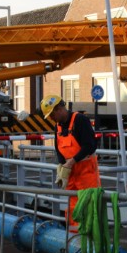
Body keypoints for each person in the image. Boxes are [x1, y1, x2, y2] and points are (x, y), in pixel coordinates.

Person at [40, 95, 100, 233]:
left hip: (86, 174)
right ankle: (74, 238)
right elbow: (58, 149)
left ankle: (89, 239)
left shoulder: (80, 120)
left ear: (59, 109)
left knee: (89, 207)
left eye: (51, 115)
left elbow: (90, 146)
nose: (51, 119)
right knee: (72, 207)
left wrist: (71, 161)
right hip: (71, 174)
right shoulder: (58, 126)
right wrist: (62, 167)